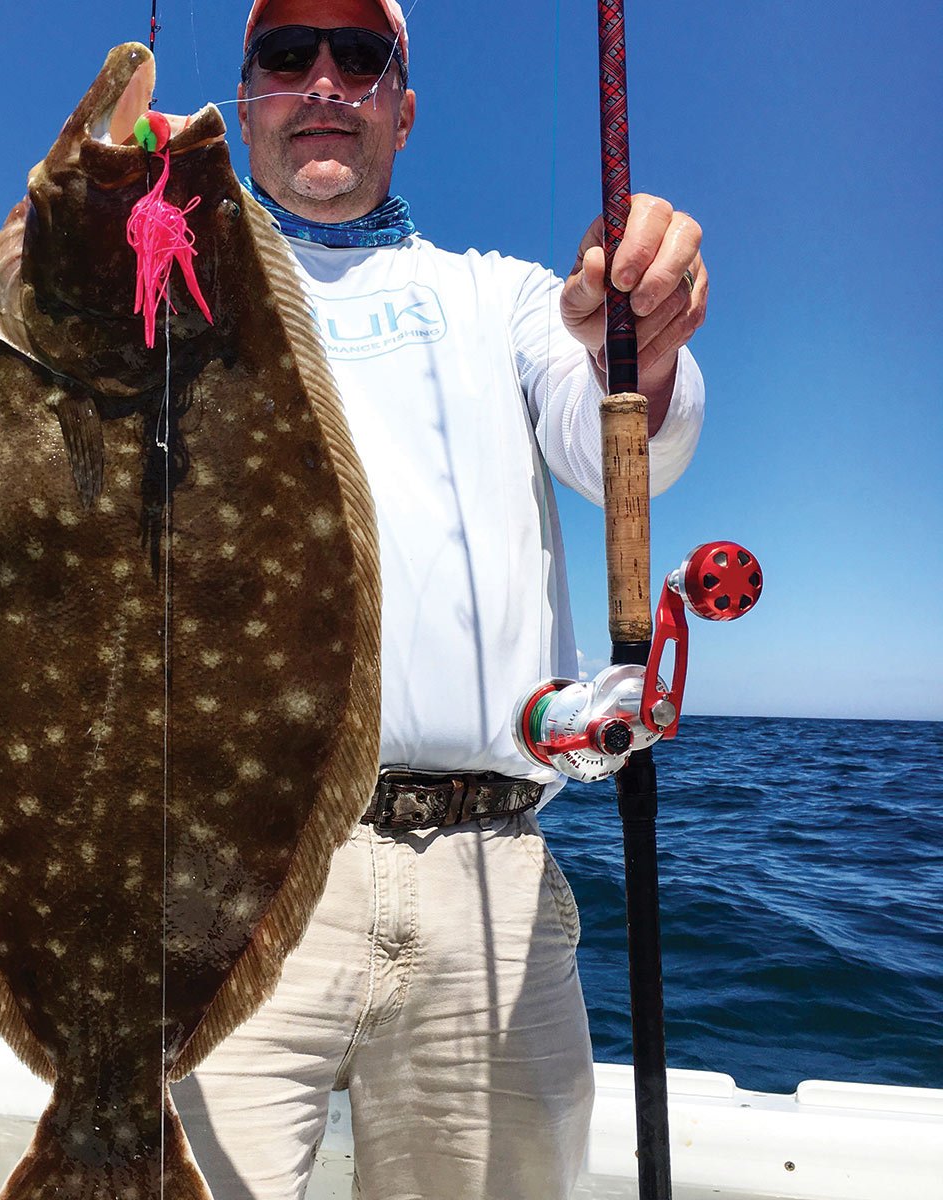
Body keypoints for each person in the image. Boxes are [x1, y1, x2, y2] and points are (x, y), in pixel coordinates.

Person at [172, 0, 706, 1196]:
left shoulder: (508, 300)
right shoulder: (168, 301)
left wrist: (640, 347)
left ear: (402, 112)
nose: (322, 80)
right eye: (286, 55)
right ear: (246, 99)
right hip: (226, 880)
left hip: (486, 875)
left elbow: (616, 443)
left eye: (359, 58)